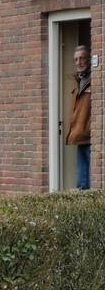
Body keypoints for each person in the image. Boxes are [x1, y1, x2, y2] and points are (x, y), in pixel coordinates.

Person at [68, 45, 92, 190]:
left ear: (89, 59)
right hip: (79, 135)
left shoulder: (95, 79)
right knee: (82, 181)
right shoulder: (78, 82)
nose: (79, 62)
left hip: (90, 136)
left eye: (82, 58)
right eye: (76, 59)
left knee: (94, 176)